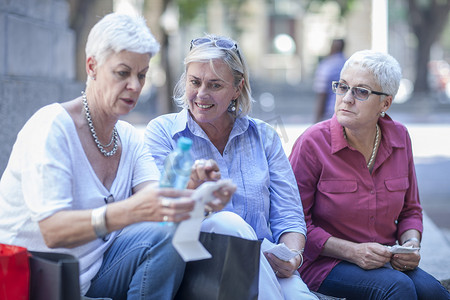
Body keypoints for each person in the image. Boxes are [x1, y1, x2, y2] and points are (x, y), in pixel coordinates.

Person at [0, 13, 233, 300]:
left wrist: (196, 193)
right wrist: (131, 211)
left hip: (93, 275)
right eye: (123, 73)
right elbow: (53, 230)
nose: (135, 86)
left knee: (166, 235)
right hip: (34, 282)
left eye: (142, 74)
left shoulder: (129, 137)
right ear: (92, 67)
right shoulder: (52, 127)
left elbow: (158, 204)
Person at [145, 34, 318, 300]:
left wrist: (292, 258)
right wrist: (191, 187)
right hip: (200, 264)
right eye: (195, 82)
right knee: (226, 222)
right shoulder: (163, 132)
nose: (201, 94)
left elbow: (289, 217)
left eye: (215, 85)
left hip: (267, 261)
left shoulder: (264, 136)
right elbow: (159, 212)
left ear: (237, 88)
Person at [289, 50, 450, 299]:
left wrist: (410, 244)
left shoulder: (400, 138)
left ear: (385, 103)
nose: (346, 98)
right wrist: (353, 252)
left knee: (435, 294)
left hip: (384, 259)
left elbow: (410, 210)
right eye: (342, 87)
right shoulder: (312, 143)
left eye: (361, 91)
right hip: (324, 264)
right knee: (398, 287)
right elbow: (293, 223)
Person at [313, 39, 346, 123]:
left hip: (330, 113)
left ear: (332, 47)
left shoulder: (326, 65)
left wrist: (316, 121)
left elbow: (322, 93)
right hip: (346, 111)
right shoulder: (348, 64)